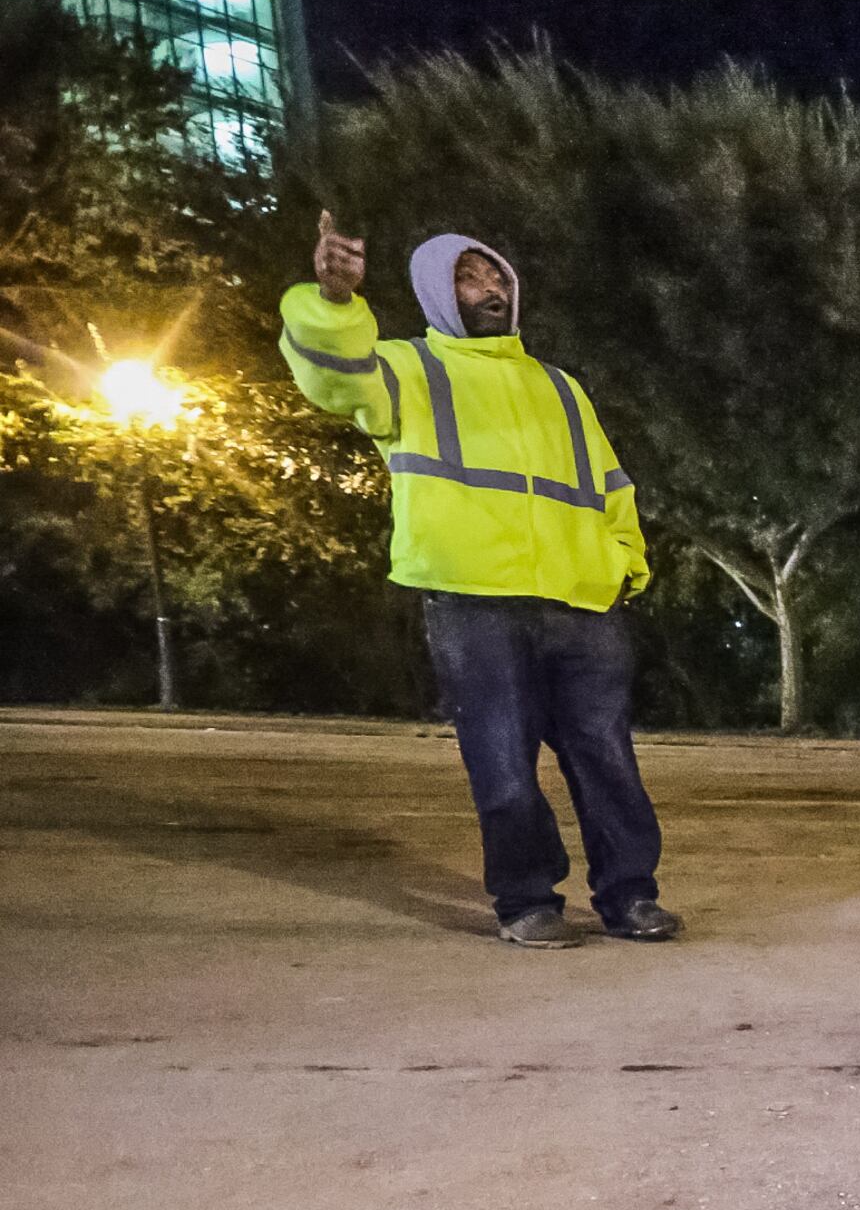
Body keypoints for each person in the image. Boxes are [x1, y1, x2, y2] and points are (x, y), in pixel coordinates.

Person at [281, 212, 680, 947]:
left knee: (609, 761)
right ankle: (529, 902)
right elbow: (332, 377)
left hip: (582, 603)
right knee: (502, 765)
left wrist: (626, 566)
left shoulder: (560, 386)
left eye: (497, 276)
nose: (489, 287)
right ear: (438, 291)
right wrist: (333, 302)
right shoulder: (407, 369)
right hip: (475, 604)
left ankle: (630, 897)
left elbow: (611, 484)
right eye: (469, 277)